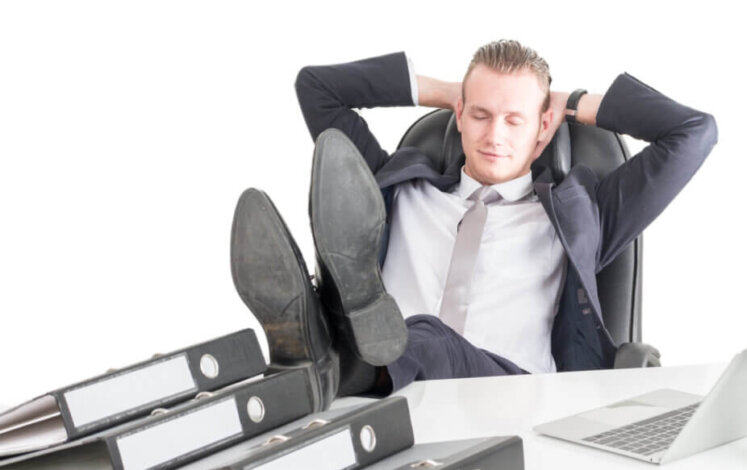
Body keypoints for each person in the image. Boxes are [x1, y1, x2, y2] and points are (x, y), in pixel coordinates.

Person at [230, 40, 718, 409]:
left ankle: (323, 358)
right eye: (480, 115)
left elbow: (694, 133)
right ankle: (330, 348)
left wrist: (567, 101)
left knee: (426, 336)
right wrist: (448, 91)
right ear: (458, 115)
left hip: (510, 401)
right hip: (389, 403)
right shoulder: (396, 187)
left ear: (543, 127)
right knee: (413, 337)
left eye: (514, 120)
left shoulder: (582, 215)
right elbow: (317, 87)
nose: (494, 135)